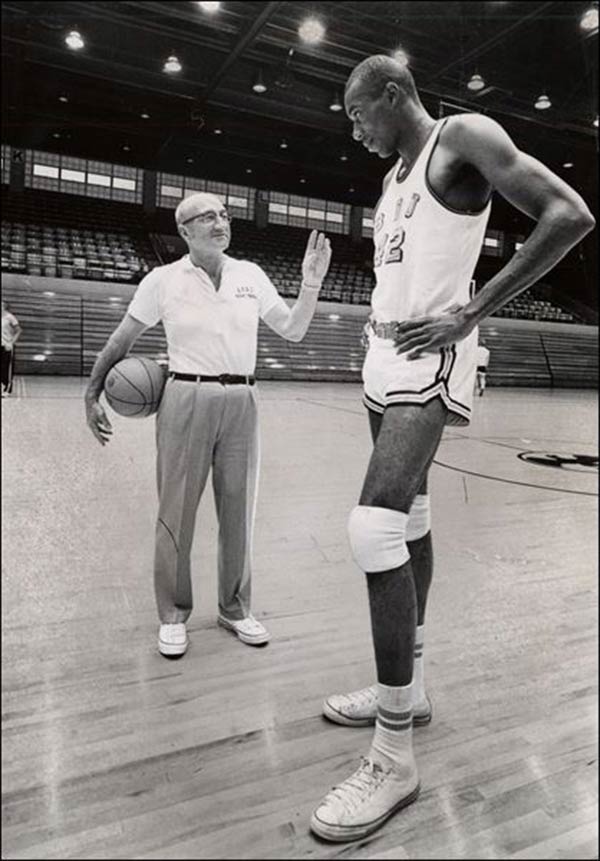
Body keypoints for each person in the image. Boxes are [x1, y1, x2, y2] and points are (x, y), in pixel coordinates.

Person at [310, 54, 595, 843]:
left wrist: (470, 317)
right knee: (413, 516)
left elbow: (569, 214)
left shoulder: (459, 136)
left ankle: (393, 755)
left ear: (394, 94)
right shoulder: (395, 178)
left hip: (432, 357)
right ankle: (412, 689)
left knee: (371, 530)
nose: (356, 130)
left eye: (359, 114)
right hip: (381, 356)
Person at [85, 192, 331, 658]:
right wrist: (90, 392)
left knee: (238, 510)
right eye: (207, 217)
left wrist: (311, 285)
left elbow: (294, 329)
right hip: (184, 395)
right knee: (176, 511)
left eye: (224, 214)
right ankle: (174, 614)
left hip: (243, 397)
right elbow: (122, 339)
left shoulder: (250, 275)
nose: (220, 222)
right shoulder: (162, 280)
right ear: (184, 230)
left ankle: (234, 608)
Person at [1, 300, 22, 397]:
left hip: (7, 345)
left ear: (4, 306)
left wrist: (11, 343)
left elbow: (18, 331)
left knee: (6, 368)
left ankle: (7, 389)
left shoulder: (10, 317)